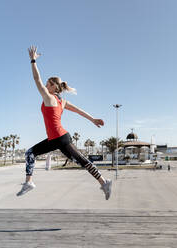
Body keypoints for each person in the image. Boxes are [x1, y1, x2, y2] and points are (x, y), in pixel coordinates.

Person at [17, 46, 112, 200]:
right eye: (46, 84)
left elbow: (36, 80)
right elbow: (79, 110)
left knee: (80, 161)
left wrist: (33, 61)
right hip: (57, 139)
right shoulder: (62, 101)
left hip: (59, 138)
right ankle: (104, 182)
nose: (45, 86)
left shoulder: (50, 98)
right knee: (80, 161)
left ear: (54, 86)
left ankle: (104, 182)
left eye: (48, 84)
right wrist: (93, 119)